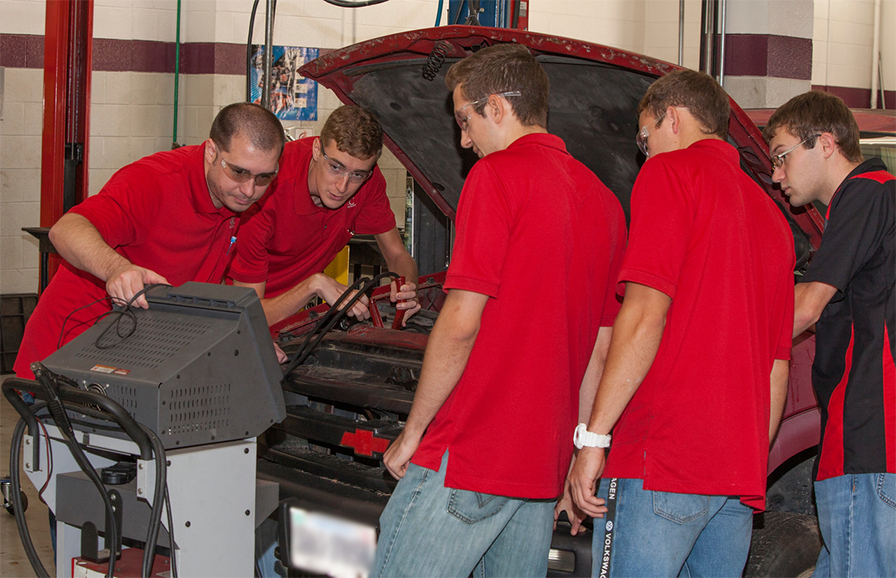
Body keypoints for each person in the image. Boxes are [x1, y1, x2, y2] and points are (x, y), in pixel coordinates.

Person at [372, 43, 626, 578]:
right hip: (539, 468)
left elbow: (462, 322)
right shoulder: (604, 203)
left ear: (499, 107)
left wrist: (413, 432)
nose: (462, 140)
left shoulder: (496, 177)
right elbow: (599, 350)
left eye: (465, 120)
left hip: (473, 454)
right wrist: (575, 454)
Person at [567, 70, 795, 578]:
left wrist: (594, 440)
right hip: (736, 477)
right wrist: (750, 459)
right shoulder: (774, 218)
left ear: (673, 118)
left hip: (662, 460)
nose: (644, 154)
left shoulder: (670, 174)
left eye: (644, 139)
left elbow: (644, 313)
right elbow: (778, 366)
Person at [14, 102, 285, 380]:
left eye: (264, 176)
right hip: (67, 354)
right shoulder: (154, 181)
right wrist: (115, 268)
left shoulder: (234, 198)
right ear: (211, 151)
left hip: (136, 356)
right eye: (239, 172)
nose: (250, 189)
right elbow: (65, 229)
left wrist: (245, 340)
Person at [763, 91, 895, 578]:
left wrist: (720, 333)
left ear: (824, 143)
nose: (776, 175)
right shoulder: (873, 204)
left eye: (781, 156)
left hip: (868, 440)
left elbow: (807, 307)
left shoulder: (868, 192)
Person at [228, 105, 419, 327]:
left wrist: (408, 290)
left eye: (357, 174)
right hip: (235, 314)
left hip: (288, 314)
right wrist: (314, 284)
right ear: (317, 149)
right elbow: (246, 313)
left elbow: (397, 254)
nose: (342, 185)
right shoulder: (266, 190)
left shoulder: (369, 180)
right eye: (335, 167)